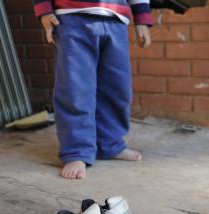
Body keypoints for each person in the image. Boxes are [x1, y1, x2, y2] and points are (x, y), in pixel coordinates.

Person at [33, 0, 152, 180]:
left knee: (117, 89)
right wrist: (44, 12)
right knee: (75, 90)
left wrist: (142, 18)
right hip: (72, 18)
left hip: (116, 20)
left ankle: (109, 143)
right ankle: (77, 151)